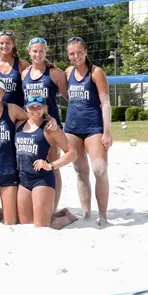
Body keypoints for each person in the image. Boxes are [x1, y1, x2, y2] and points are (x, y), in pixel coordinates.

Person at [0, 78, 58, 225]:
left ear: (4, 93)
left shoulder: (12, 109)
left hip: (9, 170)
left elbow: (35, 117)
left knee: (11, 222)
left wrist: (50, 119)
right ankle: (0, 209)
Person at [64, 37, 112, 226]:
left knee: (100, 169)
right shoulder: (67, 72)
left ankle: (103, 215)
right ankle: (86, 214)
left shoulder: (96, 72)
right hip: (72, 128)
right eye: (71, 54)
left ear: (85, 51)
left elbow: (106, 102)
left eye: (78, 52)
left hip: (94, 128)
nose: (75, 56)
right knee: (80, 171)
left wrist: (107, 131)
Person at [15, 95, 78, 228]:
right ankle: (59, 213)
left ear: (45, 108)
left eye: (39, 107)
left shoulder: (50, 128)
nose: (35, 110)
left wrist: (51, 165)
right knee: (25, 224)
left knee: (42, 226)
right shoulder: (19, 125)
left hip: (41, 180)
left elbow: (72, 153)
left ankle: (67, 218)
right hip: (23, 179)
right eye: (32, 107)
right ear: (26, 108)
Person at [22, 37, 68, 209]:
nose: (38, 54)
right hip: (31, 125)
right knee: (31, 162)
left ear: (46, 51)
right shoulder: (24, 73)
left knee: (53, 166)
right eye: (35, 51)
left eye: (41, 51)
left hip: (51, 124)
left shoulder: (55, 73)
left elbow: (69, 96)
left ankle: (53, 207)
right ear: (29, 52)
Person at [0, 29, 29, 108]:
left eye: (7, 43)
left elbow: (30, 86)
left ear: (13, 44)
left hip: (17, 114)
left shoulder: (22, 64)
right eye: (1, 43)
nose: (4, 46)